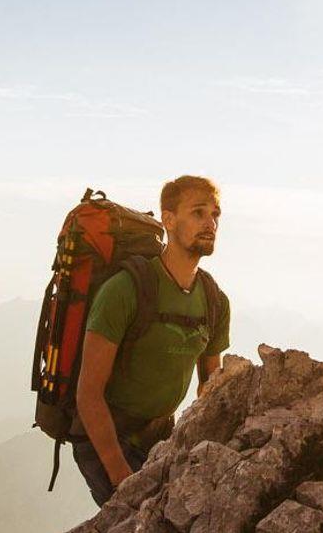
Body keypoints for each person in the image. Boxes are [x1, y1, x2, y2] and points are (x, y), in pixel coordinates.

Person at [72, 175, 230, 505]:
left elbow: (210, 386)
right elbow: (88, 394)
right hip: (107, 438)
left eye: (215, 214)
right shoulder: (126, 289)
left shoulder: (214, 300)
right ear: (168, 220)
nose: (211, 223)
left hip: (160, 436)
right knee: (138, 524)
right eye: (198, 212)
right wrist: (121, 477)